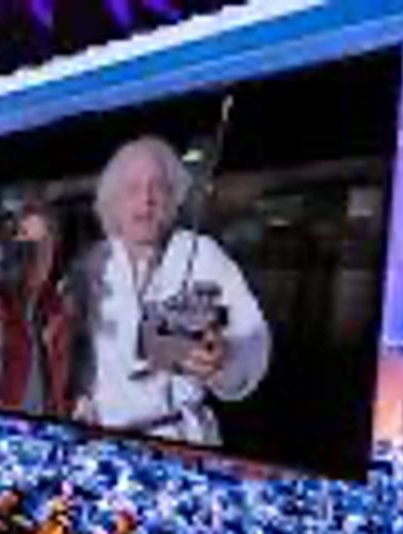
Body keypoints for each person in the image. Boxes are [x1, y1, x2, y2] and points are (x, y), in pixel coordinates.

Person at [70, 135, 270, 446]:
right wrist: (79, 400)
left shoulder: (203, 254)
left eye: (158, 187)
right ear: (114, 202)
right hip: (103, 440)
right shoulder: (91, 265)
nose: (147, 199)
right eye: (132, 189)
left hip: (181, 440)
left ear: (174, 197)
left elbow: (253, 336)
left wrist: (224, 358)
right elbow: (73, 350)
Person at [0, 190, 76, 417]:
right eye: (28, 243)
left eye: (45, 244)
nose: (37, 255)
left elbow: (60, 391)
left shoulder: (57, 309)